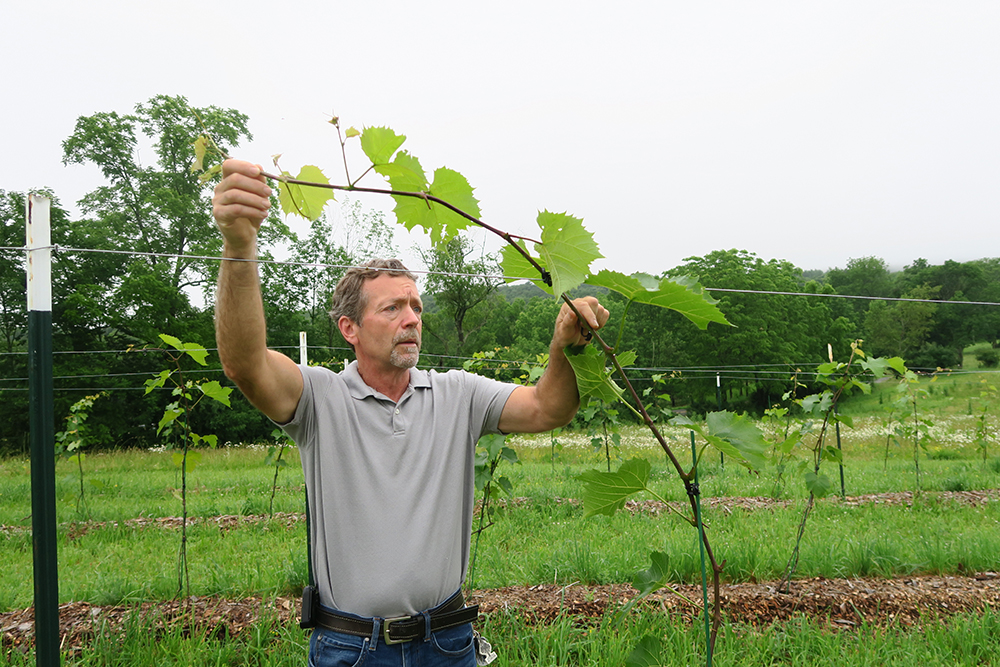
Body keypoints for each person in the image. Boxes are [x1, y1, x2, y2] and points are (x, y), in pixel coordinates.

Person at [213, 159, 608, 667]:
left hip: (447, 642)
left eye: (416, 307)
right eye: (392, 308)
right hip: (352, 649)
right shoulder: (319, 399)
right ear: (349, 328)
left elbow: (547, 407)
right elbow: (245, 364)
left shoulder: (458, 395)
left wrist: (563, 346)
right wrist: (240, 246)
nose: (411, 320)